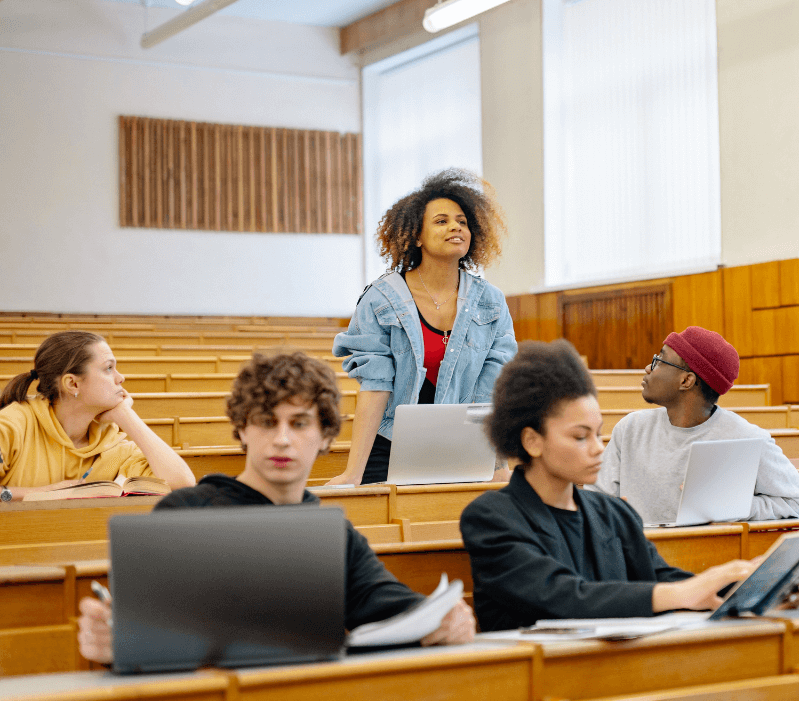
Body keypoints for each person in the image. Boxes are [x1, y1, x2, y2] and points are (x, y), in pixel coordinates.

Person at [77, 351, 475, 663]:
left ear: (324, 437)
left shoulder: (331, 533)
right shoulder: (188, 511)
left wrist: (449, 617)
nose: (282, 439)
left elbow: (392, 603)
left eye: (299, 424)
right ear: (242, 429)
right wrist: (110, 638)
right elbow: (140, 627)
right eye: (267, 422)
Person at [459, 340, 799, 632]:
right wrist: (686, 590)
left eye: (598, 434)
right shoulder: (491, 517)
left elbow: (665, 579)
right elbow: (566, 597)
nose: (598, 448)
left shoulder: (612, 513)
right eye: (580, 437)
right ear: (532, 441)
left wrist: (764, 589)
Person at [330, 168, 517, 485]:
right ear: (416, 235)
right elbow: (375, 387)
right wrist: (353, 473)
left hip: (466, 445)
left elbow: (490, 394)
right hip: (389, 445)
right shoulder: (380, 300)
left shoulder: (491, 302)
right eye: (441, 221)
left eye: (462, 221)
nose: (456, 227)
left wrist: (498, 464)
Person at [587, 326, 799, 523]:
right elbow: (595, 502)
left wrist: (733, 507)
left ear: (686, 381)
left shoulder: (748, 438)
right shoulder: (630, 429)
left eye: (659, 361)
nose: (648, 368)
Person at [0, 331, 196, 501]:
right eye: (109, 368)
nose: (121, 378)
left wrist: (127, 415)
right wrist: (43, 493)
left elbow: (183, 485)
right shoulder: (13, 424)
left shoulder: (112, 444)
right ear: (73, 384)